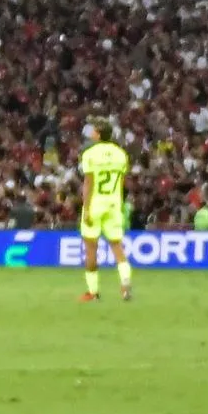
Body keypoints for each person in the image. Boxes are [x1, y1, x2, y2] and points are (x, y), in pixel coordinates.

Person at [80, 124, 134, 302]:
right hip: (113, 203)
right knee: (117, 247)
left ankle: (93, 292)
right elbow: (121, 182)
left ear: (98, 134)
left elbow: (89, 183)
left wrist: (87, 209)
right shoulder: (121, 154)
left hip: (95, 203)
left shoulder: (90, 154)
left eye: (94, 131)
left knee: (91, 249)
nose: (91, 134)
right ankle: (125, 285)